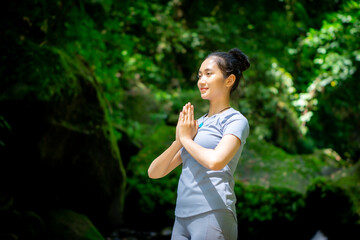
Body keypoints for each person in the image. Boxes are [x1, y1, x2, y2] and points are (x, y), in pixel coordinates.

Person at [148, 48, 250, 240]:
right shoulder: (197, 124)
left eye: (209, 74)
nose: (201, 81)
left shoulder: (235, 120)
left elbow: (216, 161)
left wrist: (186, 139)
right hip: (182, 217)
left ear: (229, 80)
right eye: (200, 75)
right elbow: (154, 173)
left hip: (212, 213)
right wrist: (179, 141)